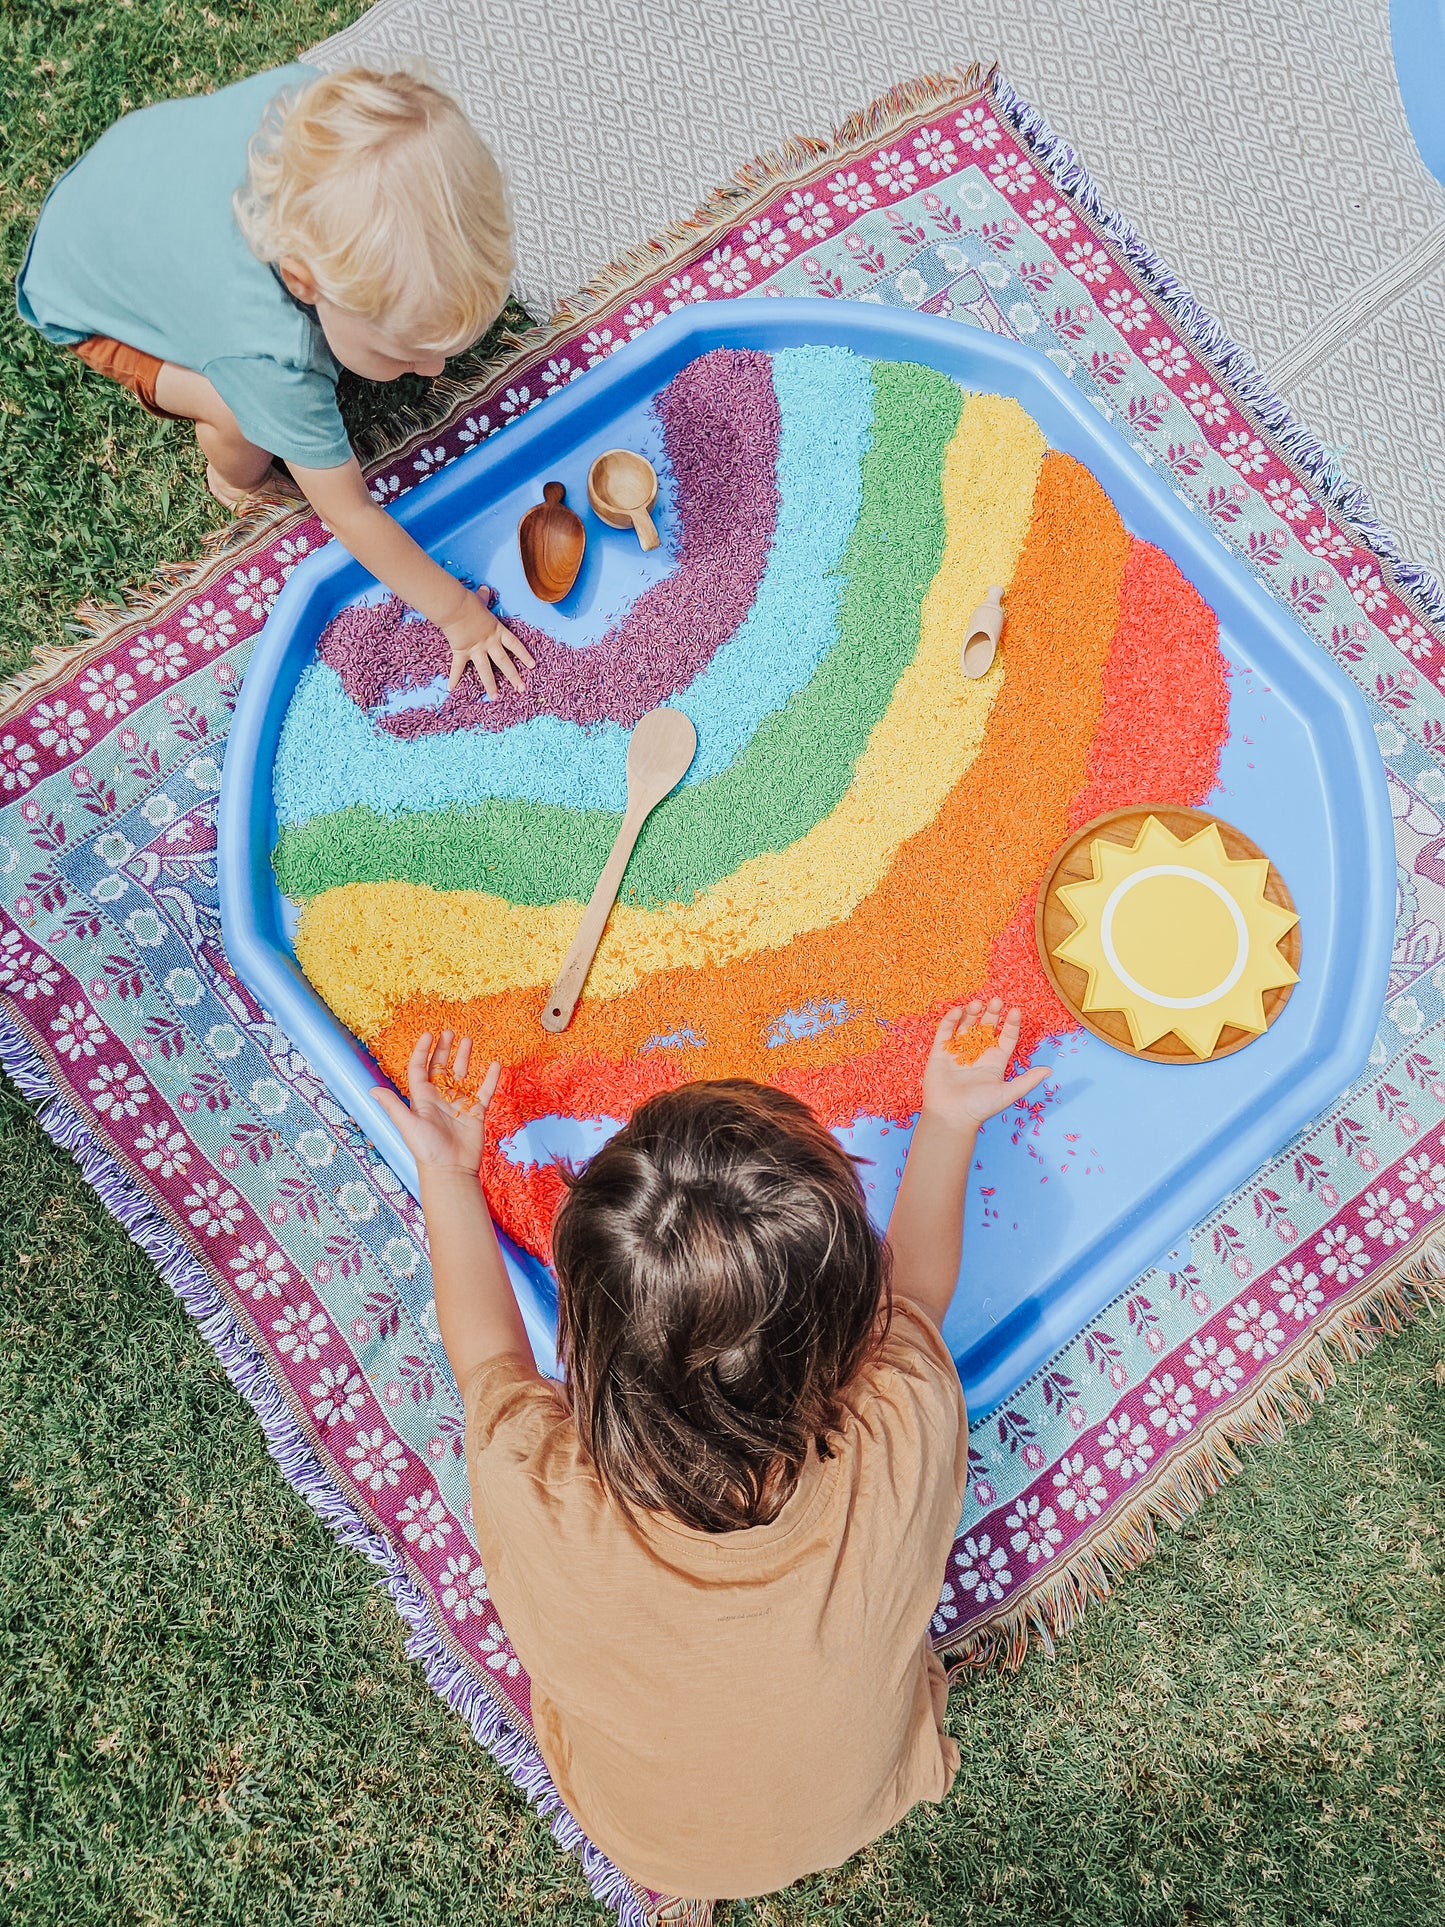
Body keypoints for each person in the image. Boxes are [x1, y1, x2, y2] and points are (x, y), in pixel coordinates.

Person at [377, 999, 1049, 1900]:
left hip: (645, 1845)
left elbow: (488, 1359)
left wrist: (449, 1170)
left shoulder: (530, 1486)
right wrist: (949, 1116)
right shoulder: (905, 1420)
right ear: (854, 1330)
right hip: (870, 1794)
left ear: (584, 1335)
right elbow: (919, 1296)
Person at [17, 64, 532, 699]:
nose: (434, 372)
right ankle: (231, 479)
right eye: (405, 355)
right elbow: (348, 511)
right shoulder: (272, 359)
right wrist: (459, 616)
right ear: (301, 281)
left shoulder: (319, 113)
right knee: (238, 416)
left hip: (131, 179)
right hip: (88, 297)